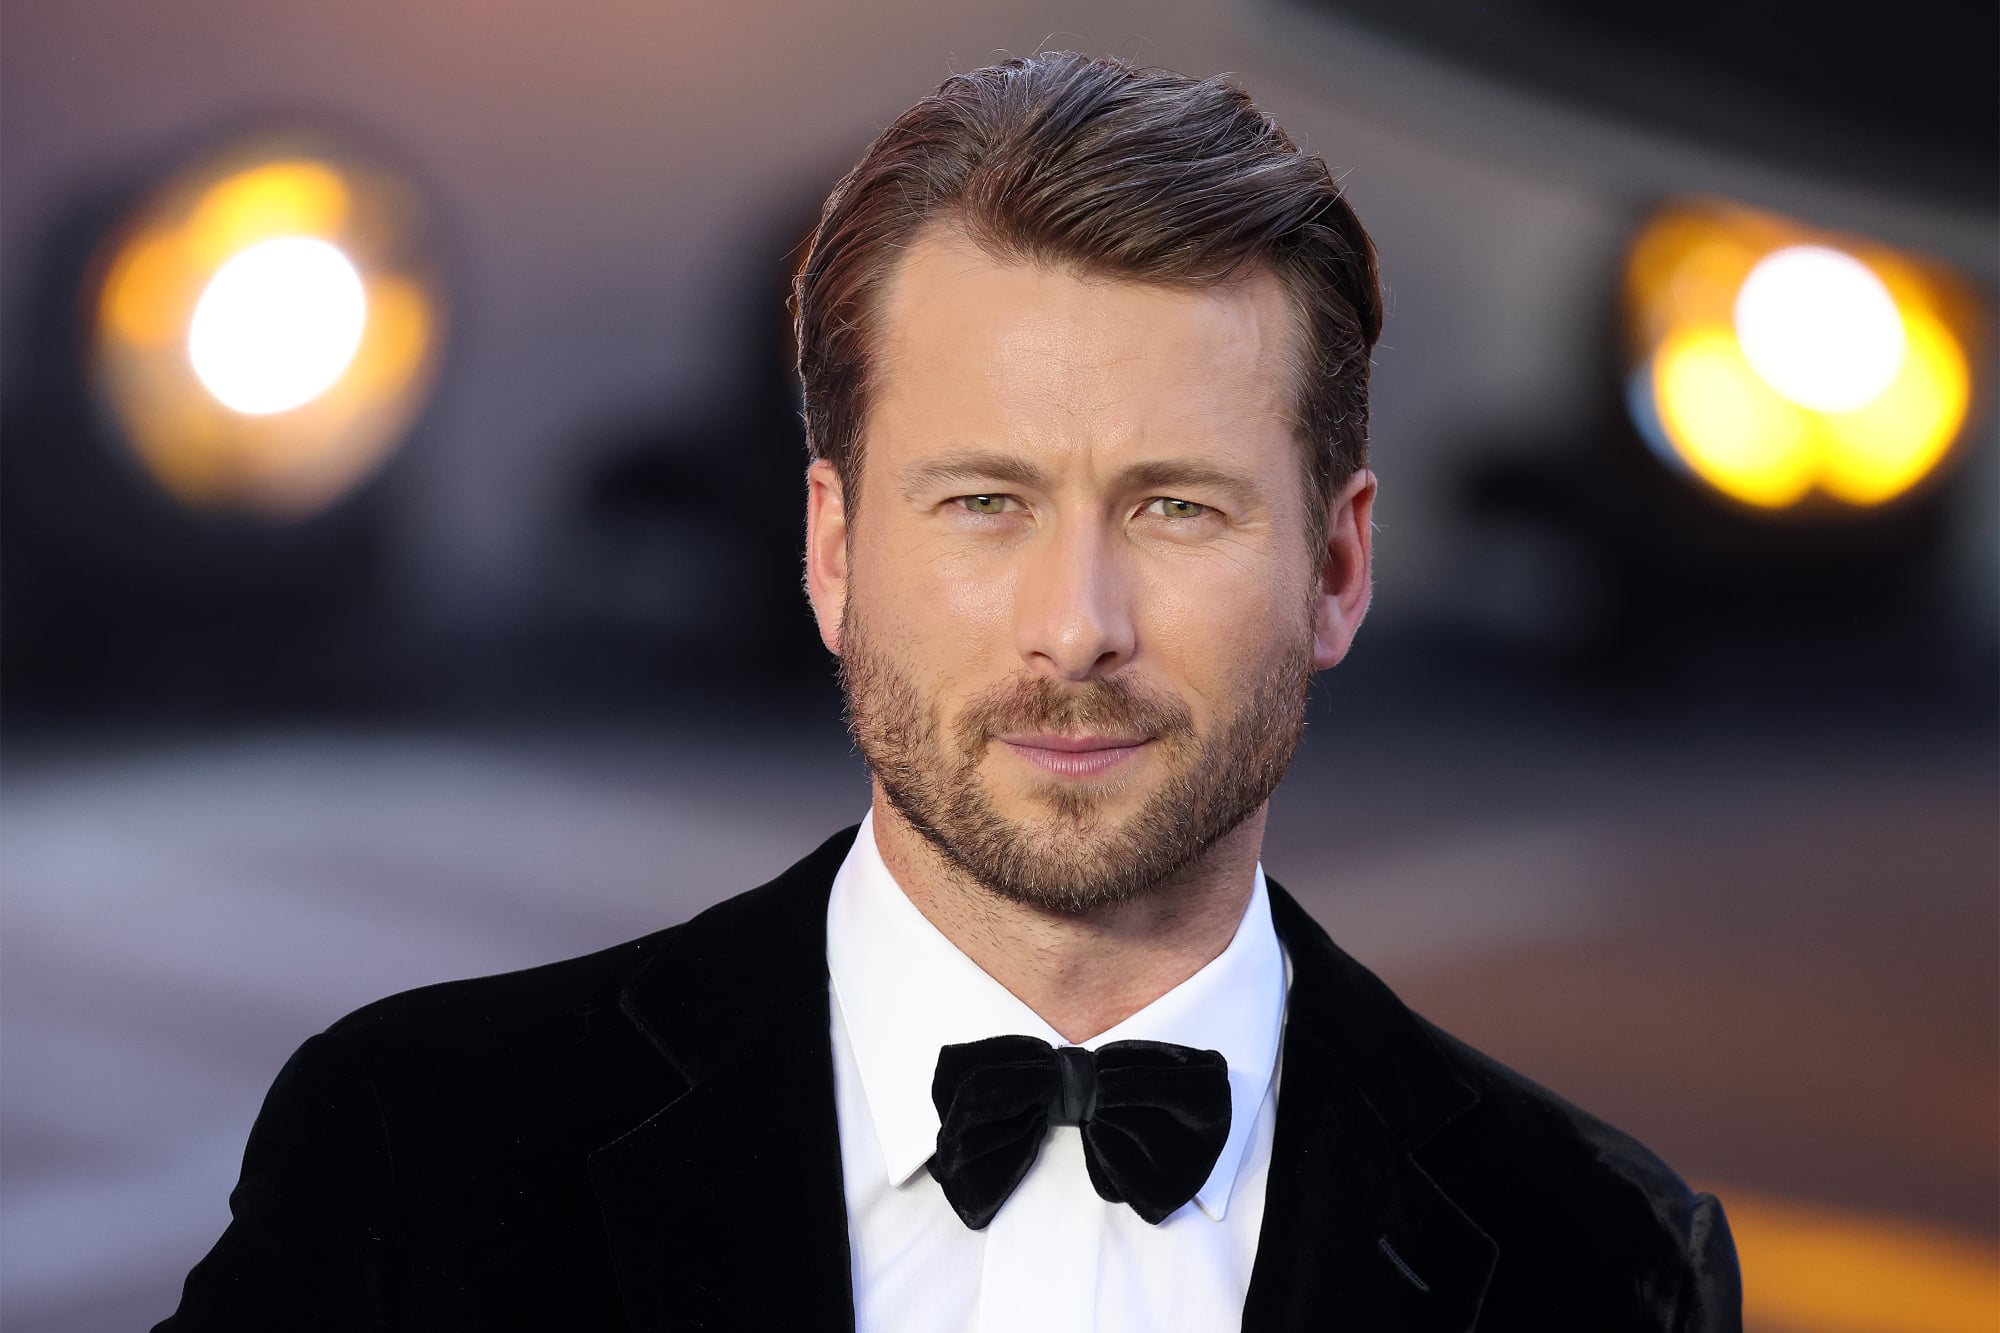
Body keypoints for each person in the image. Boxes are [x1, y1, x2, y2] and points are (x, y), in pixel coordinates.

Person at [157, 51, 1742, 1332]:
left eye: (1175, 507)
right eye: (985, 501)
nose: (1077, 628)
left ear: (1336, 568)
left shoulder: (1604, 1260)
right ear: (833, 552)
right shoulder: (415, 1146)